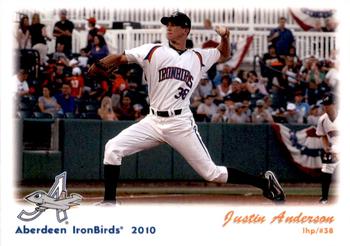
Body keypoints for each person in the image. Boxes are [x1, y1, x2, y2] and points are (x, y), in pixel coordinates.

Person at [88, 11, 285, 205]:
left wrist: (225, 37)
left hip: (180, 123)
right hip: (153, 121)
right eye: (168, 24)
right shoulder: (153, 50)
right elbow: (121, 57)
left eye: (174, 24)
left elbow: (224, 55)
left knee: (212, 173)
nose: (169, 27)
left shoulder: (198, 56)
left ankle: (263, 182)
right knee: (112, 148)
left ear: (186, 29)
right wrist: (100, 63)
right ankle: (109, 202)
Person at [316, 93, 338, 204]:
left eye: (328, 104)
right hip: (334, 149)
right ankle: (324, 198)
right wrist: (325, 147)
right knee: (326, 169)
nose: (325, 107)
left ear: (335, 104)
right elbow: (323, 135)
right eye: (324, 104)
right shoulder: (322, 119)